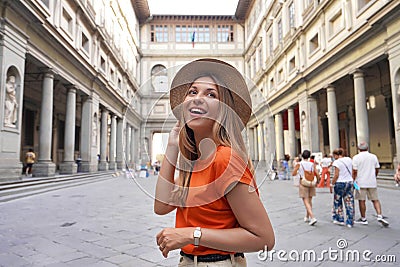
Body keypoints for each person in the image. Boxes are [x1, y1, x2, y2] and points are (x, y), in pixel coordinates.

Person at [154, 58, 275, 266]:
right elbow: (161, 205)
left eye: (211, 94)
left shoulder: (225, 159)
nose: (197, 98)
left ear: (223, 110)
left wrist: (191, 235)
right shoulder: (195, 163)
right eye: (193, 92)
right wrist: (172, 147)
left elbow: (264, 239)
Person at [352, 141, 389, 227]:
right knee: (375, 199)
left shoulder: (356, 158)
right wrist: (374, 176)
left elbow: (354, 171)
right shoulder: (373, 157)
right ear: (367, 148)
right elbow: (377, 169)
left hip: (360, 182)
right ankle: (379, 215)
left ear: (358, 149)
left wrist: (353, 179)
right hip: (372, 181)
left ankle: (363, 218)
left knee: (362, 200)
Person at [292, 150, 320, 226]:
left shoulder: (299, 164)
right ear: (309, 156)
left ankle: (312, 217)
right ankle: (307, 216)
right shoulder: (312, 164)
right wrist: (318, 181)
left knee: (305, 200)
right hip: (311, 183)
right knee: (310, 200)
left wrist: (297, 171)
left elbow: (293, 173)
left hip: (303, 183)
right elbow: (317, 173)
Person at [330, 148, 354, 228]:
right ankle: (350, 221)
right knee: (349, 202)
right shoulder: (349, 159)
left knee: (338, 201)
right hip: (349, 182)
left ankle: (340, 219)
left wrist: (331, 183)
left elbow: (336, 175)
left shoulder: (337, 162)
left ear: (336, 155)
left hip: (340, 183)